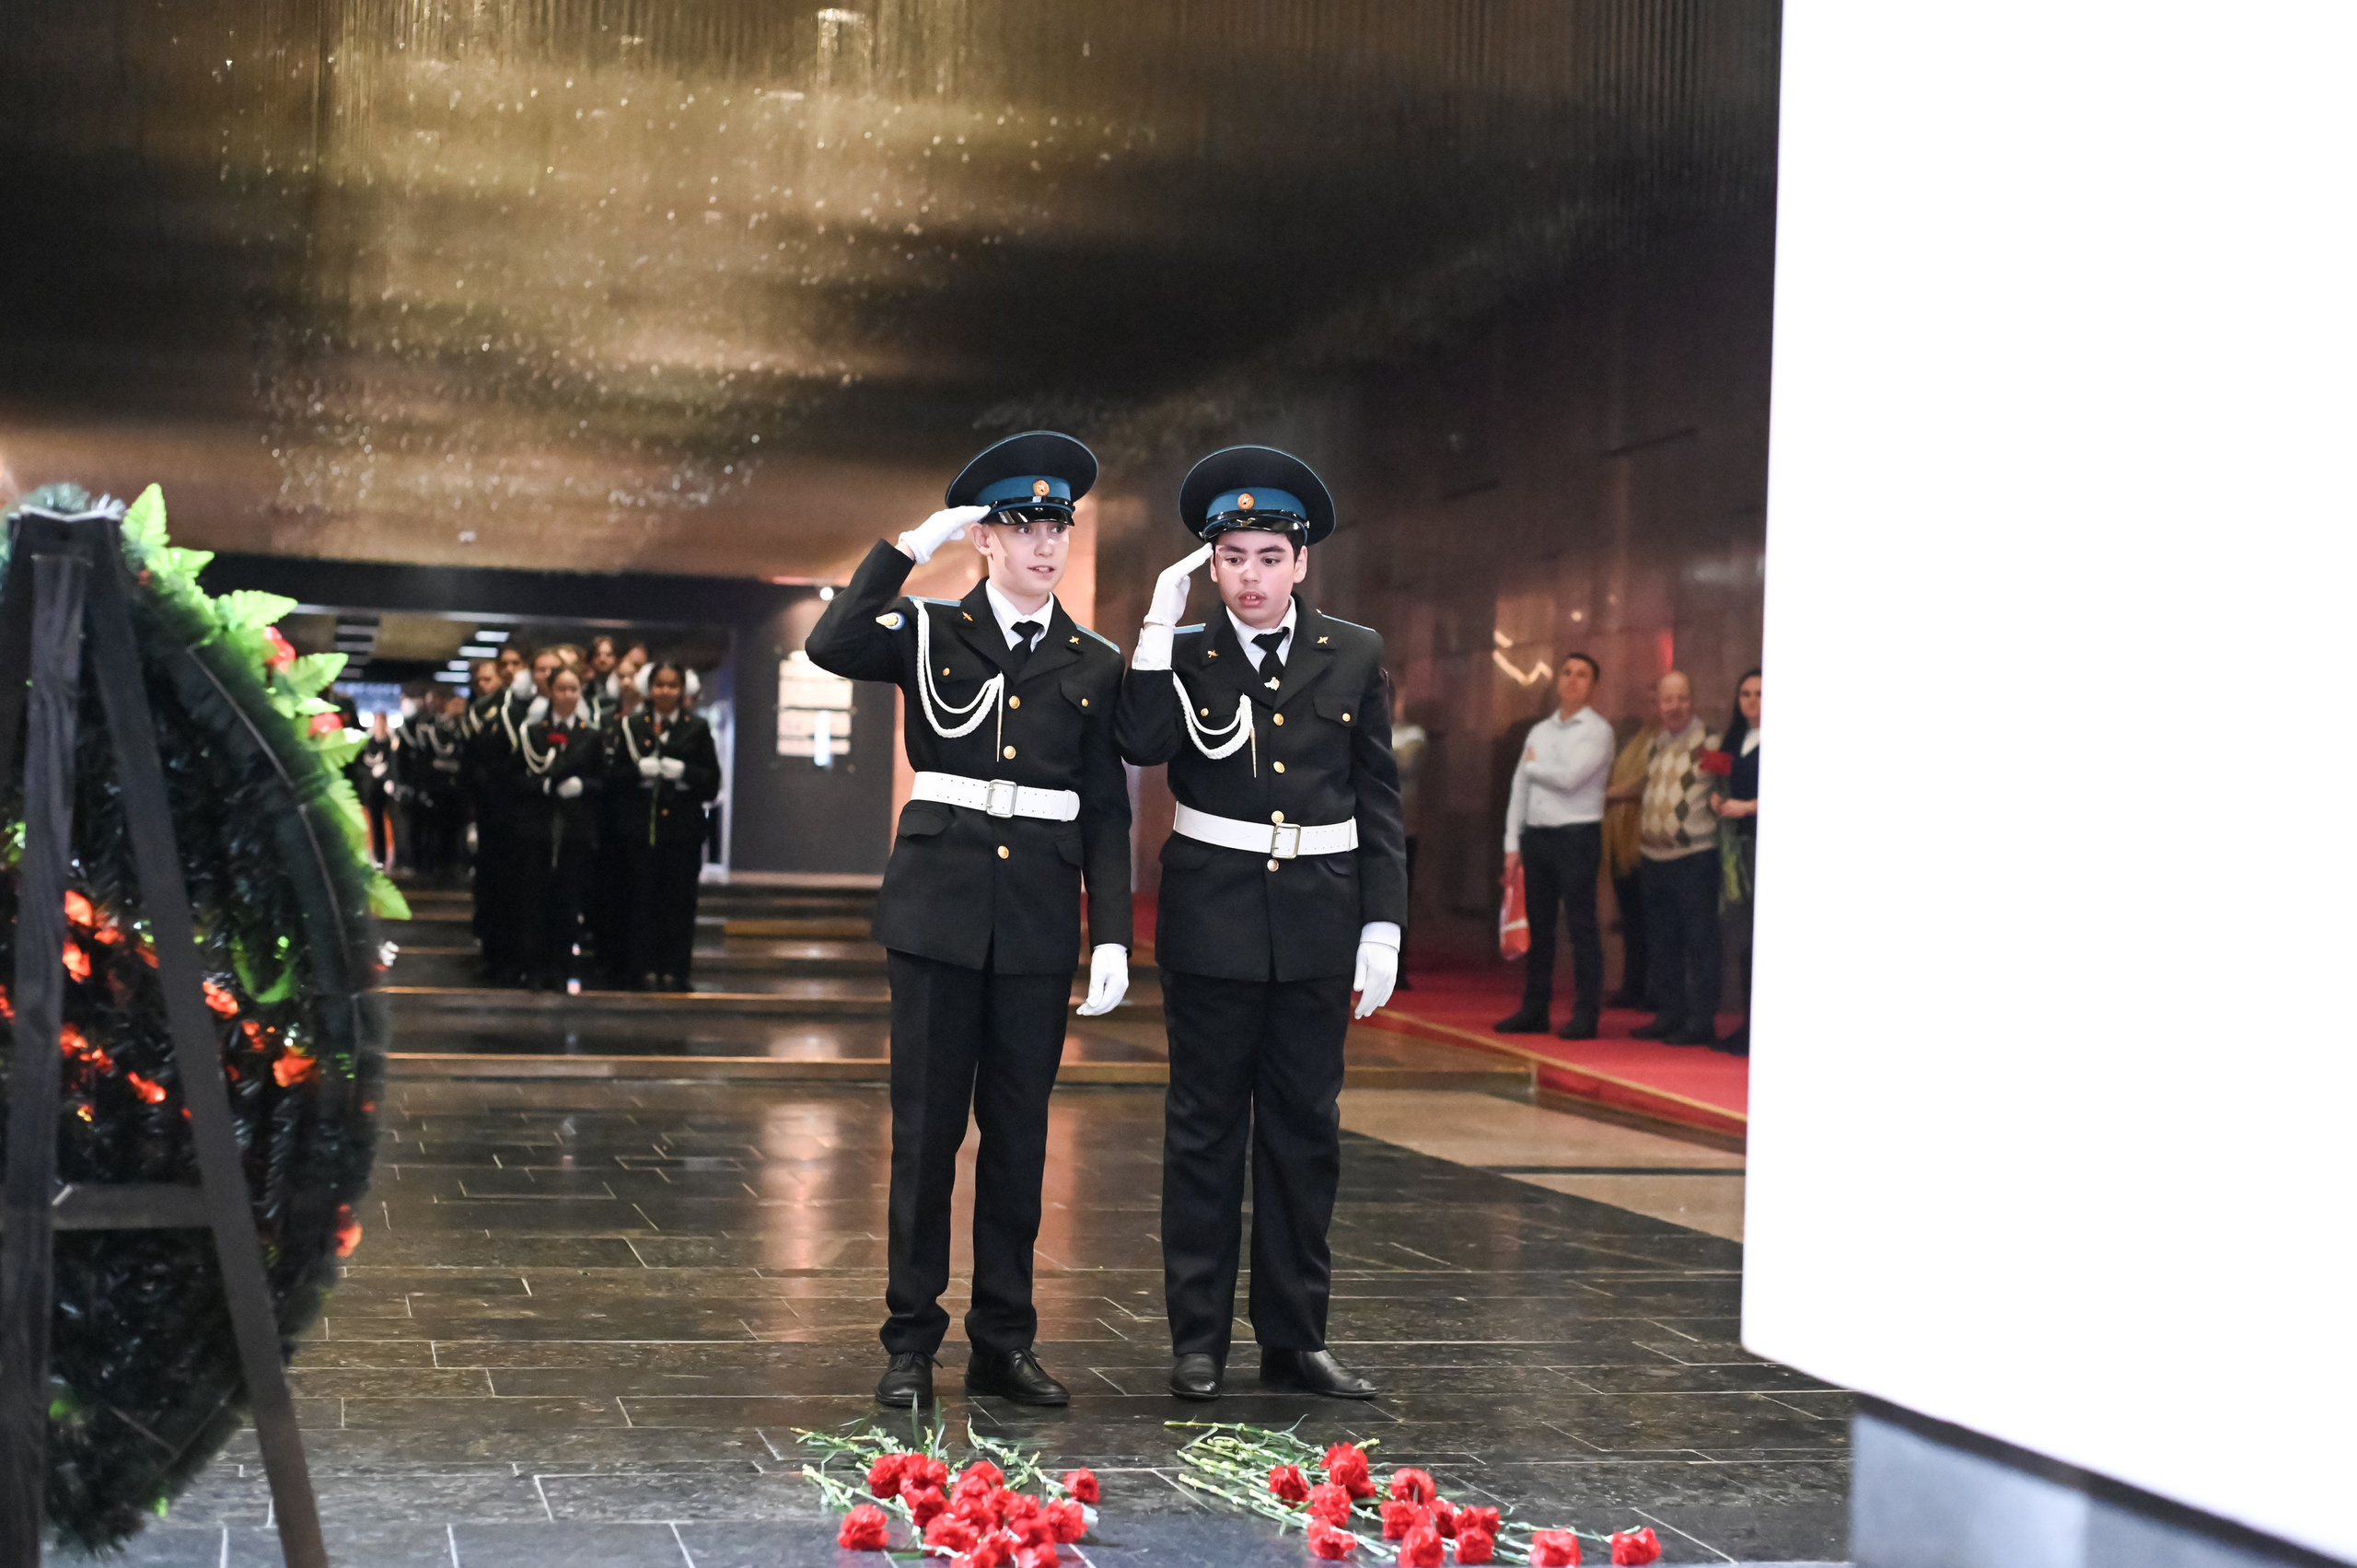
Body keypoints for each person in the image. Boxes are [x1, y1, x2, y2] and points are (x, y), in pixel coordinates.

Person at [805, 430, 1132, 1411]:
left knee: (1021, 1138)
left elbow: (1106, 804)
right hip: (939, 913)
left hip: (1034, 917)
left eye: (1055, 526)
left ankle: (1003, 1338)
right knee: (926, 1133)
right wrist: (909, 544)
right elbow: (832, 642)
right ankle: (909, 1340)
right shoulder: (927, 630)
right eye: (1022, 525)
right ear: (985, 538)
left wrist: (1109, 929)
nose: (1044, 543)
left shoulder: (1094, 658)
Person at [1117, 446, 1407, 1403]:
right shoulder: (1187, 651)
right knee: (1204, 1131)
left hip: (1320, 915)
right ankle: (1196, 1338)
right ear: (1213, 562)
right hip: (1214, 916)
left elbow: (1377, 796)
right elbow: (1145, 743)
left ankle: (1295, 1336)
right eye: (1232, 556)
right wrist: (1157, 626)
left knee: (1303, 1131)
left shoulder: (1354, 652)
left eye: (1268, 556)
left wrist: (1383, 927)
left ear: (1301, 561)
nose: (1251, 575)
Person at [1494, 654, 1616, 1039]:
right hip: (1538, 836)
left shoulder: (1598, 730)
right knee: (1540, 927)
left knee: (1581, 925)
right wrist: (1512, 843)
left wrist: (1534, 767)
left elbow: (1569, 779)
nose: (1573, 680)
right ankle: (1535, 1008)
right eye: (1567, 673)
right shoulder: (1540, 732)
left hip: (1577, 835)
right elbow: (1519, 788)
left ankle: (1586, 1013)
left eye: (1583, 675)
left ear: (1593, 685)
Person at [610, 663, 722, 990]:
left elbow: (712, 784)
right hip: (641, 829)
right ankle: (641, 969)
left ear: (683, 690)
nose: (666, 692)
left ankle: (676, 970)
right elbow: (615, 778)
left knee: (679, 903)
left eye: (673, 686)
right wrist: (637, 772)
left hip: (682, 833)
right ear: (650, 688)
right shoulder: (633, 725)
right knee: (641, 901)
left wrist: (684, 772)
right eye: (659, 685)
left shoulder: (697, 728)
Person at [1632, 670, 1723, 1047]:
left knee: (1700, 942)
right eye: (1667, 699)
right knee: (1662, 942)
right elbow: (1645, 787)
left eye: (1681, 698)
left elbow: (1728, 786)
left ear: (1693, 700)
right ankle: (1669, 1014)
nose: (1674, 706)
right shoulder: (1654, 745)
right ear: (1658, 704)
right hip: (1654, 859)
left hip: (1694, 858)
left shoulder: (1711, 743)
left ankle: (1700, 1022)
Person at [511, 666, 603, 992]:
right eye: (562, 689)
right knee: (535, 899)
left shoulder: (590, 735)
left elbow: (601, 781)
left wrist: (583, 787)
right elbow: (516, 778)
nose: (568, 695)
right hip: (538, 827)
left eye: (574, 689)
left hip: (574, 829)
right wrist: (544, 788)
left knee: (568, 900)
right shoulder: (533, 732)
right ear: (550, 692)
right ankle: (535, 967)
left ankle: (563, 967)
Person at [460, 657, 521, 982]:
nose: (483, 685)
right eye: (478, 680)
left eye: (489, 679)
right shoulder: (474, 712)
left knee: (506, 888)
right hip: (486, 809)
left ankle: (506, 959)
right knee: (488, 886)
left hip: (508, 808)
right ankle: (490, 952)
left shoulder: (510, 710)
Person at [1711, 668, 1760, 1056]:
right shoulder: (1735, 738)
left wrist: (1748, 807)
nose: (1751, 701)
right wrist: (1718, 800)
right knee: (1743, 941)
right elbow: (1719, 780)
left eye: (1760, 694)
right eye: (1745, 693)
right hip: (1736, 850)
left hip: (1764, 845)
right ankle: (1747, 1023)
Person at [1602, 706, 1658, 1010]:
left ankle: (1653, 989)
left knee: (1650, 923)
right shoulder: (1632, 740)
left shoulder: (1664, 743)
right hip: (1621, 842)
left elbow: (1649, 781)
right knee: (1631, 921)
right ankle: (1632, 985)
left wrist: (1612, 793)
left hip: (1645, 842)